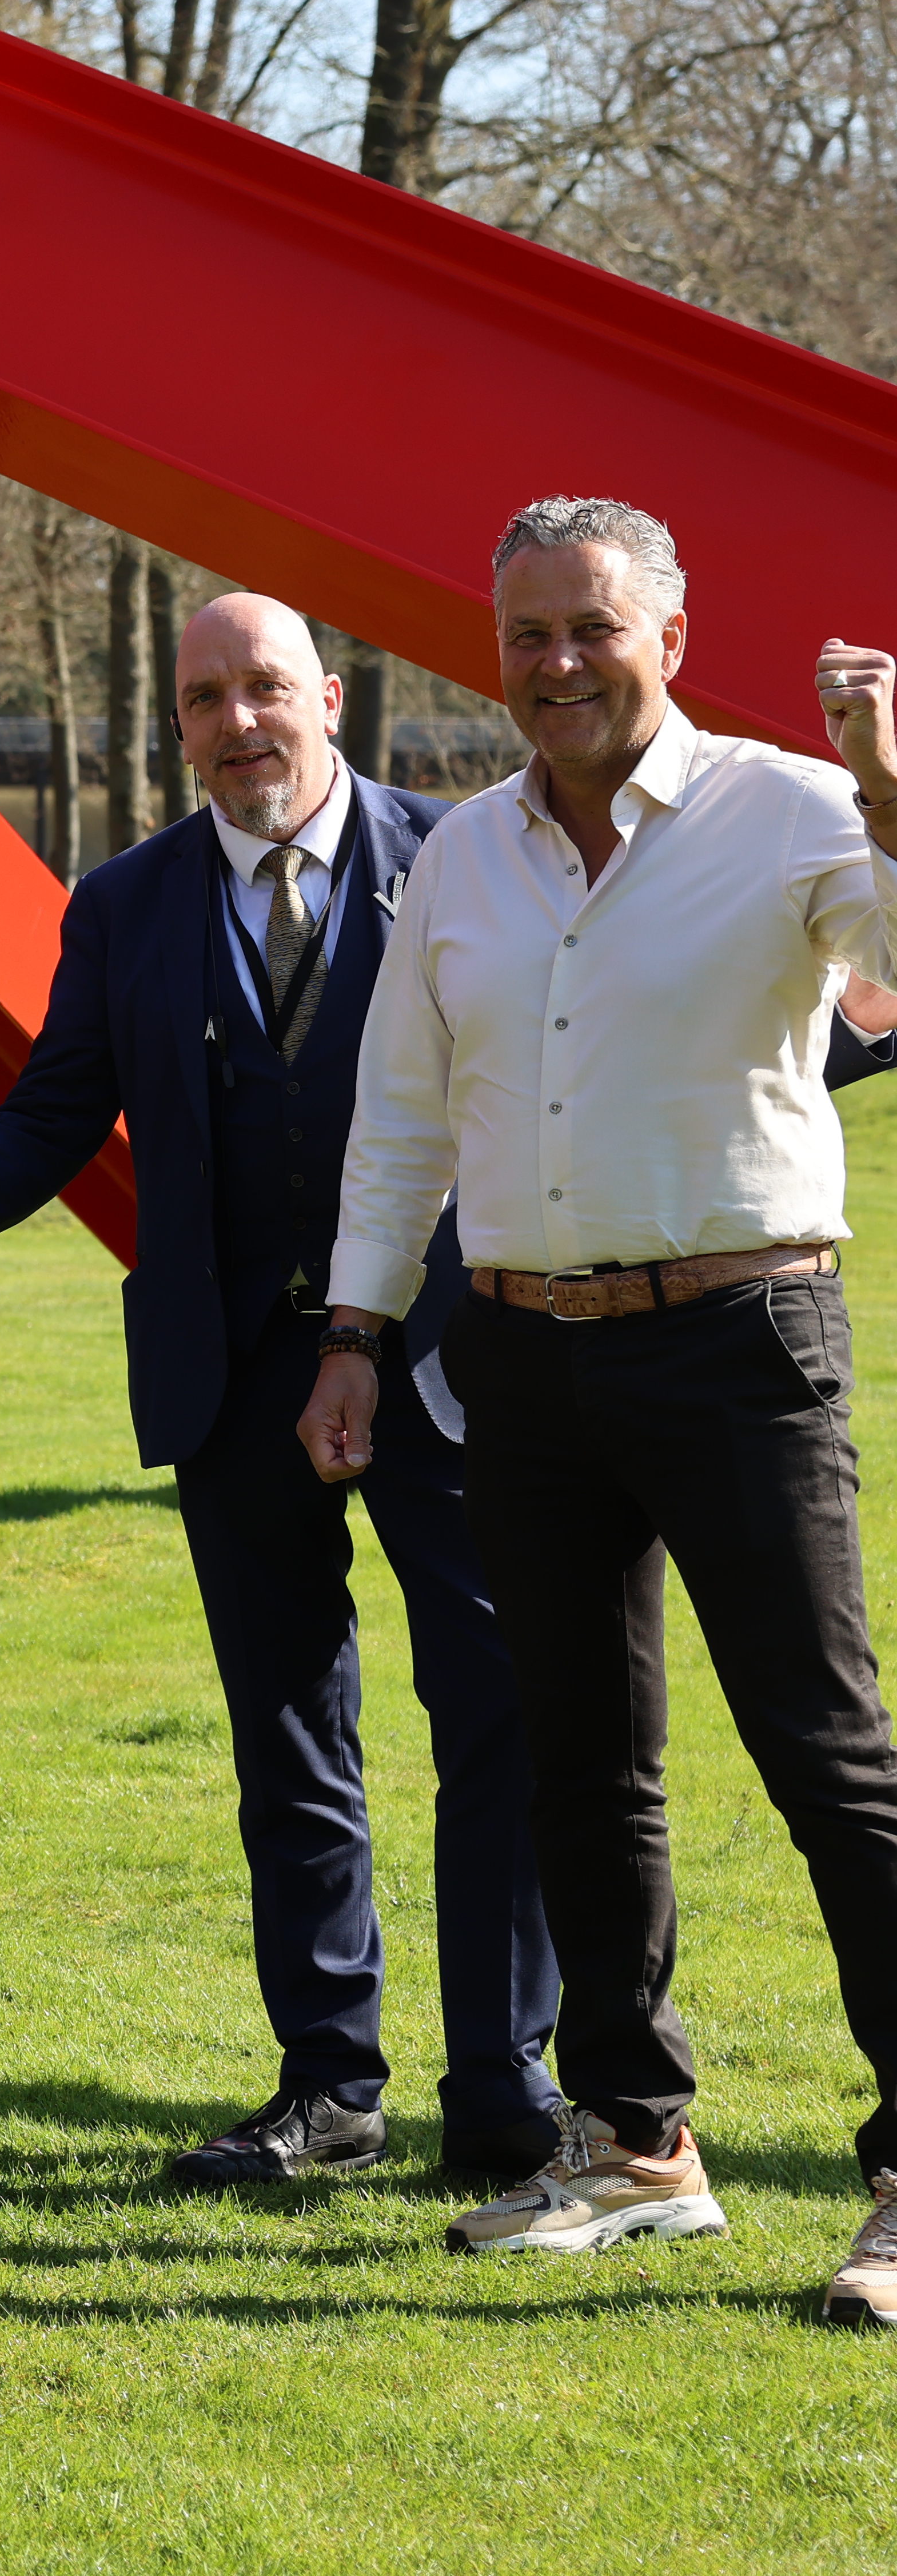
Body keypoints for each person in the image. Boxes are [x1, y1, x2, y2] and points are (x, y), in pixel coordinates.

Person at [0, 594, 569, 2188]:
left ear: (328, 698)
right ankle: (331, 2089)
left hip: (450, 1358)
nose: (236, 721)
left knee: (500, 1720)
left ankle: (504, 2084)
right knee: (290, 1740)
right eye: (205, 698)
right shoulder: (126, 903)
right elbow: (51, 1117)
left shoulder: (471, 855)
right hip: (230, 1379)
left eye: (264, 687)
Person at [304, 500, 897, 2322]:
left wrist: (892, 787)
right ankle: (635, 2138)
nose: (557, 664)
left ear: (672, 630)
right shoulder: (463, 857)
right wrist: (353, 1330)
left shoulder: (800, 810)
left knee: (829, 1758)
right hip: (523, 1354)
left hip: (741, 1335)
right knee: (578, 1758)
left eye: (592, 628)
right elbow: (405, 1114)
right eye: (528, 633)